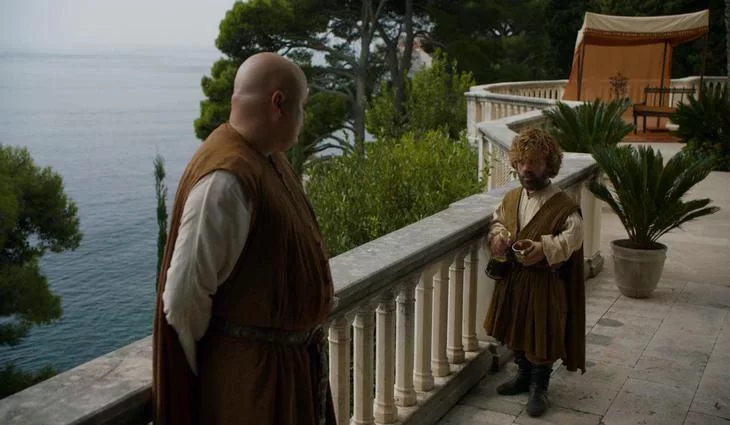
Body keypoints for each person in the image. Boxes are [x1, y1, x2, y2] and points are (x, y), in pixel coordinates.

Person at [152, 52, 336, 425]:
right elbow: (183, 300)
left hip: (284, 372)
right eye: (301, 107)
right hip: (255, 388)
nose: (304, 117)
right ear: (278, 104)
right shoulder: (225, 180)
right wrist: (231, 363)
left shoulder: (266, 158)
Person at [483, 128, 586, 417]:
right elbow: (498, 221)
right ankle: (523, 376)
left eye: (535, 162)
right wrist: (498, 237)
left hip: (544, 283)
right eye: (522, 162)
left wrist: (543, 248)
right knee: (515, 329)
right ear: (515, 163)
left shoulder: (564, 205)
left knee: (542, 335)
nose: (527, 169)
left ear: (548, 165)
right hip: (514, 281)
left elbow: (574, 237)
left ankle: (539, 388)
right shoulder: (512, 198)